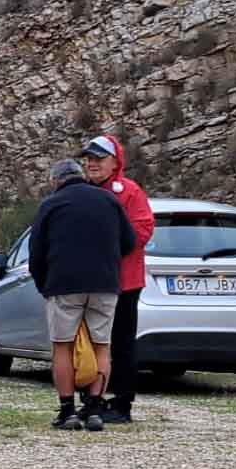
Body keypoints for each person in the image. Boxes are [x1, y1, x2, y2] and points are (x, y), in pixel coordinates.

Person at [28, 159, 137, 431]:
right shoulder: (109, 200)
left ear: (56, 181)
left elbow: (36, 254)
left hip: (64, 285)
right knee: (102, 346)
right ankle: (95, 409)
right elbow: (130, 242)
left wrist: (44, 285)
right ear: (81, 176)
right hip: (105, 284)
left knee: (62, 346)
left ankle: (68, 412)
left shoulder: (51, 204)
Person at [80, 133, 155, 425]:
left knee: (121, 343)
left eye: (99, 158)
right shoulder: (82, 190)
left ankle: (122, 402)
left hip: (123, 282)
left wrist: (106, 247)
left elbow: (142, 231)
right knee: (87, 342)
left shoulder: (130, 192)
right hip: (89, 281)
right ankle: (91, 398)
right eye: (89, 159)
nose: (92, 164)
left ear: (115, 162)